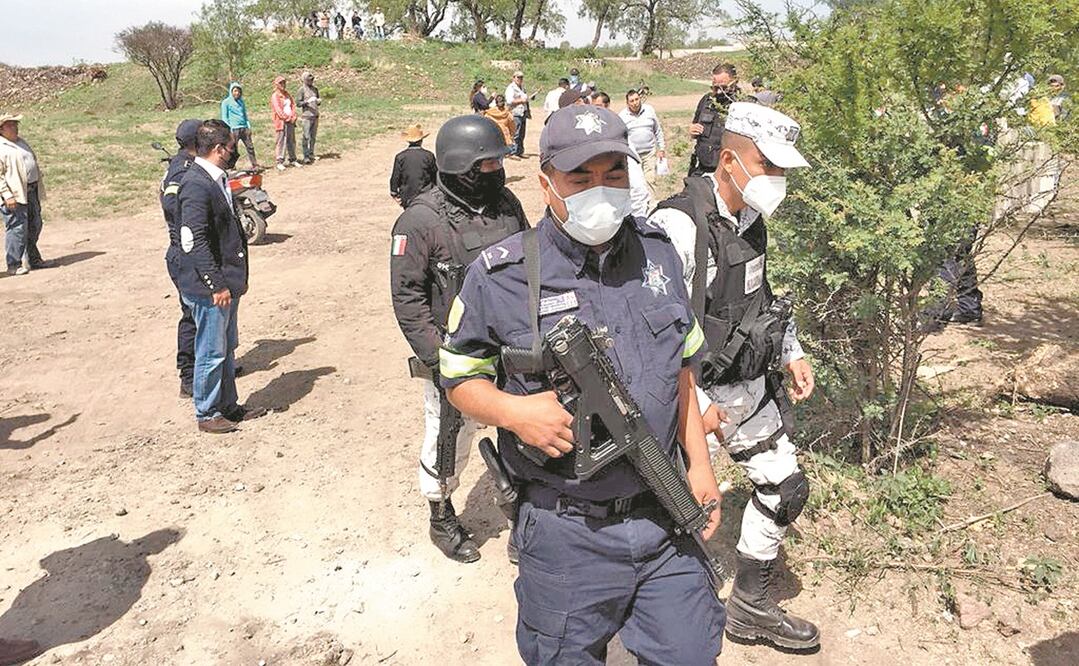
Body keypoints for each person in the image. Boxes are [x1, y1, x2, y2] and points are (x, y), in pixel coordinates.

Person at [440, 105, 724, 664]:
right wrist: (512, 412)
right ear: (546, 184)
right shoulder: (502, 275)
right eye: (581, 177)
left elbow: (683, 367)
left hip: (663, 510)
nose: (602, 188)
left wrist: (700, 461)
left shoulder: (658, 252)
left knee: (691, 652)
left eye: (614, 173)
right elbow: (458, 378)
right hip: (566, 530)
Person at [648, 102, 819, 651]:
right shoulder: (677, 224)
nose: (778, 181)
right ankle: (668, 616)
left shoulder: (751, 219)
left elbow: (757, 298)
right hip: (688, 395)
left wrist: (790, 349)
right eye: (768, 167)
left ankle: (749, 605)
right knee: (675, 511)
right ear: (728, 159)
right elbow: (654, 329)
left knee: (786, 488)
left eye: (783, 171)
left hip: (745, 385)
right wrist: (694, 406)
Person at [390, 115, 528, 563]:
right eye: (486, 166)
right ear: (458, 165)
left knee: (521, 428)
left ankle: (523, 512)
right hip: (456, 352)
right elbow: (407, 297)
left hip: (512, 348)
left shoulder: (506, 204)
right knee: (449, 437)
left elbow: (531, 261)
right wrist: (439, 357)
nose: (496, 173)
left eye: (497, 164)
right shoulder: (419, 221)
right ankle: (441, 513)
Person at [177, 120, 264, 434]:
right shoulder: (196, 184)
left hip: (225, 284)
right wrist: (216, 284)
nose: (233, 153)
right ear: (218, 149)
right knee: (211, 352)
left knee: (225, 349)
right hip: (210, 289)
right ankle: (208, 412)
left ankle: (228, 405)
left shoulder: (215, 178)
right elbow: (194, 240)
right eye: (230, 148)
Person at [161, 119, 202, 398]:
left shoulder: (192, 165)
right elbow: (170, 202)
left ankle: (208, 366)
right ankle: (188, 376)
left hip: (189, 251)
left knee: (204, 315)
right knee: (191, 315)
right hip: (183, 254)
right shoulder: (181, 168)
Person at [0, 113, 46, 276]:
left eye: (15, 124)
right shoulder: (1, 147)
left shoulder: (21, 142)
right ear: (1, 129)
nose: (15, 127)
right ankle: (14, 264)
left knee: (35, 224)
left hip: (31, 190)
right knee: (17, 228)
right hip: (14, 194)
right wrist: (7, 195)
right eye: (10, 125)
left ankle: (33, 259)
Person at [689, 62, 741, 176]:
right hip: (702, 168)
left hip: (727, 172)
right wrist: (692, 131)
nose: (718, 92)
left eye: (723, 87)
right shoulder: (707, 100)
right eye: (715, 87)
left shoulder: (742, 105)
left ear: (735, 82)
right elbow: (694, 128)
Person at [619, 88, 665, 197]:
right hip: (632, 156)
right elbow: (620, 137)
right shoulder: (622, 116)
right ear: (627, 103)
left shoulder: (649, 110)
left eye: (637, 99)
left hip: (649, 153)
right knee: (636, 183)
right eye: (632, 101)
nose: (635, 103)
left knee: (650, 180)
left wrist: (661, 148)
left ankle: (652, 206)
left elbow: (657, 130)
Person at [389, 123, 437, 208]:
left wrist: (394, 193)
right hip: (426, 196)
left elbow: (395, 177)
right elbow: (435, 175)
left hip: (407, 197)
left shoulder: (400, 157)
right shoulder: (428, 155)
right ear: (421, 140)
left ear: (408, 141)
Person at [220, 82, 257, 168]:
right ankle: (231, 167)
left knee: (250, 147)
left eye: (239, 91)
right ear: (231, 91)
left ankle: (255, 164)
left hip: (244, 128)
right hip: (234, 129)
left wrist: (248, 126)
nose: (237, 93)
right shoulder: (226, 102)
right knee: (233, 149)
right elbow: (224, 117)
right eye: (235, 91)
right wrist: (229, 129)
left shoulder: (241, 102)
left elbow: (245, 115)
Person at [270, 76, 298, 171]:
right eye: (281, 83)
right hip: (281, 122)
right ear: (277, 85)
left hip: (290, 120)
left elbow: (293, 105)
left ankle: (293, 159)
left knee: (291, 140)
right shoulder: (275, 96)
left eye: (284, 83)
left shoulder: (287, 94)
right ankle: (280, 161)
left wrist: (294, 116)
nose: (283, 85)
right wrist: (287, 118)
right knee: (281, 141)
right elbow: (278, 110)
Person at [505, 70, 531, 158]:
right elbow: (509, 101)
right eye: (518, 77)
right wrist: (521, 100)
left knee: (521, 133)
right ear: (513, 78)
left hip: (522, 112)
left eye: (521, 77)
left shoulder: (522, 88)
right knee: (515, 133)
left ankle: (519, 151)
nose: (520, 79)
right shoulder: (511, 88)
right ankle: (513, 152)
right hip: (515, 112)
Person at [297, 71, 321, 165]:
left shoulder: (315, 89)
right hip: (306, 116)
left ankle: (311, 153)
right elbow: (298, 103)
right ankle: (306, 156)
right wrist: (307, 102)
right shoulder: (301, 90)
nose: (311, 81)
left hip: (315, 115)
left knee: (313, 137)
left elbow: (318, 100)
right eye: (309, 80)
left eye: (312, 79)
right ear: (304, 80)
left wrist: (318, 101)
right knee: (306, 136)